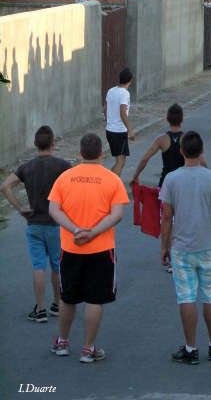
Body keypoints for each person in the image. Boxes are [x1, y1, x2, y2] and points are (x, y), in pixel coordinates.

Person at [48, 133, 129, 362]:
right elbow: (117, 215)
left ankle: (62, 342)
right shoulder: (112, 179)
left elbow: (54, 210)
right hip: (101, 248)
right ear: (102, 153)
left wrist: (76, 231)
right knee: (95, 299)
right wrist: (92, 233)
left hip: (70, 247)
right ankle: (88, 348)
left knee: (68, 297)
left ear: (80, 152)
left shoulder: (65, 178)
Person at [160, 131, 211, 365]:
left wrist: (164, 246)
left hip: (181, 247)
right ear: (202, 151)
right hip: (208, 246)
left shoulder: (171, 179)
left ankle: (191, 348)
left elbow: (167, 216)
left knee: (186, 297)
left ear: (181, 152)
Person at [1, 126, 72, 323]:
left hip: (34, 222)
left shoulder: (26, 167)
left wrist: (20, 208)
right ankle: (57, 304)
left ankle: (40, 309)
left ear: (34, 144)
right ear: (53, 143)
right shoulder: (63, 166)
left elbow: (5, 186)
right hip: (56, 223)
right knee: (57, 267)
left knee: (38, 266)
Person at [130, 104, 186, 189]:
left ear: (167, 119)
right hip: (182, 182)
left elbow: (145, 158)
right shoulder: (187, 139)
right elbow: (200, 159)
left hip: (165, 183)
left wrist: (135, 175)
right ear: (182, 119)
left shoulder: (161, 139)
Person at [104, 68, 135, 177]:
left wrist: (108, 121)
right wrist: (130, 131)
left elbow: (105, 109)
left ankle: (111, 184)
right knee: (120, 161)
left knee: (120, 160)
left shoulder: (111, 90)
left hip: (110, 129)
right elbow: (123, 113)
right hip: (119, 131)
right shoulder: (125, 94)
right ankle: (112, 186)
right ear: (131, 80)